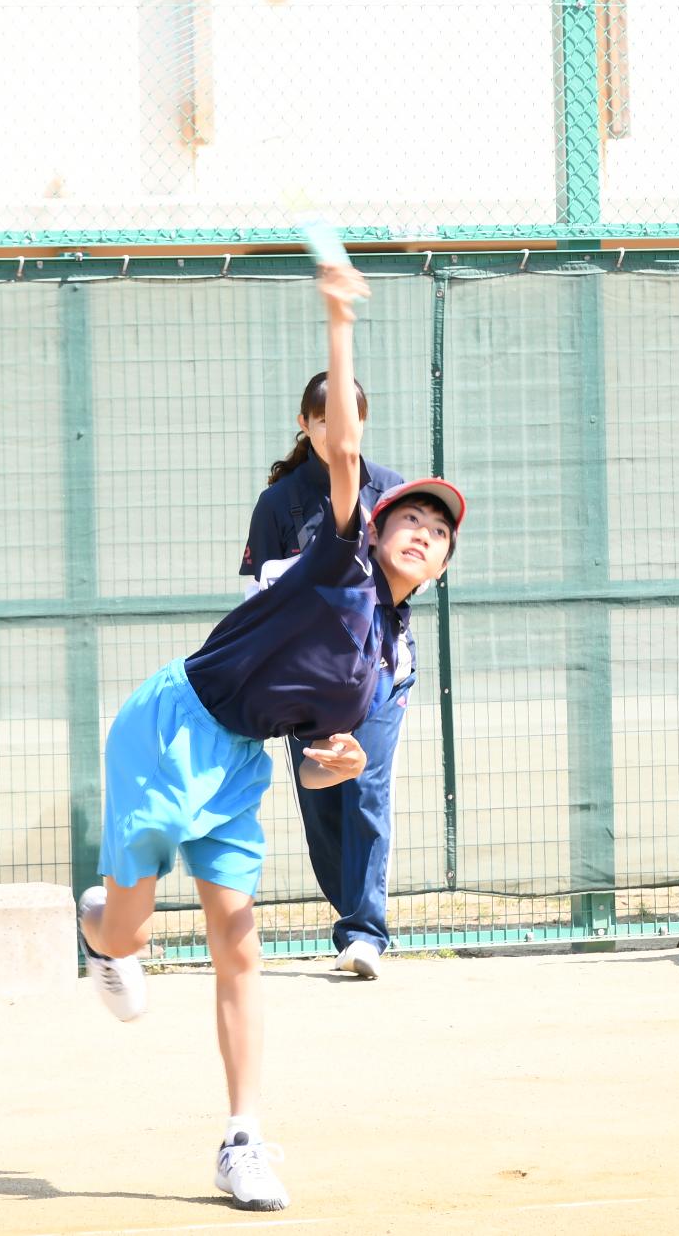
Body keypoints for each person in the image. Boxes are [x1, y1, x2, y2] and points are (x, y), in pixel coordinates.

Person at [76, 264, 467, 1210]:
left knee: (238, 948)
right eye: (406, 517)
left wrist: (345, 756)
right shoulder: (337, 560)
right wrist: (339, 318)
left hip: (241, 761)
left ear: (447, 565)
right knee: (131, 925)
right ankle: (103, 929)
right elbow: (342, 451)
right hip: (172, 725)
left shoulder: (383, 653)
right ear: (374, 533)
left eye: (437, 531)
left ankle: (243, 1138)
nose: (418, 530)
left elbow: (337, 753)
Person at [241, 373, 409, 978]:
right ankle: (352, 916)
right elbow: (256, 590)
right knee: (323, 800)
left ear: (365, 422)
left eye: (349, 422)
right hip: (305, 682)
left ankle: (365, 933)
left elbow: (417, 565)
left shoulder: (392, 492)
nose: (338, 434)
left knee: (365, 788)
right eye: (323, 423)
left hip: (381, 672)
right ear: (303, 424)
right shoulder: (278, 502)